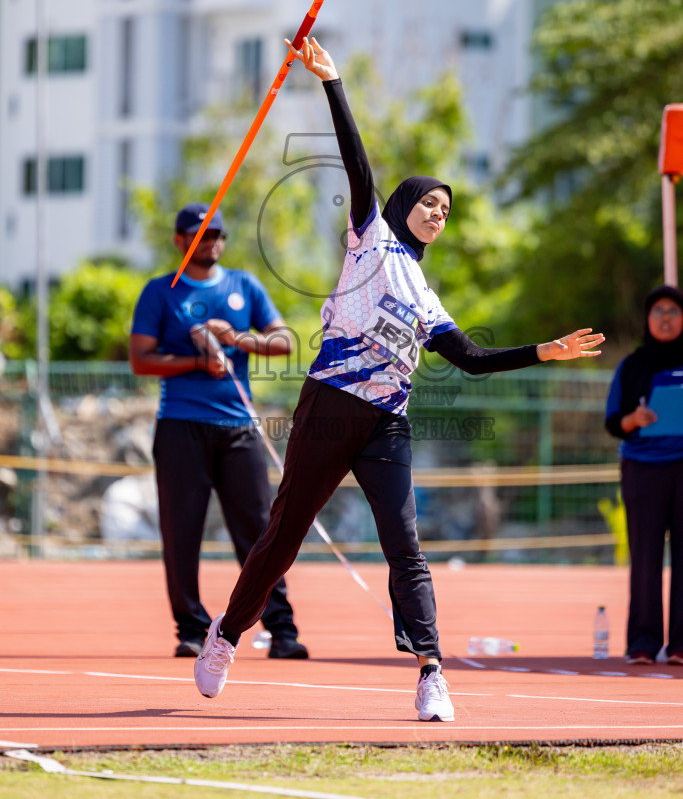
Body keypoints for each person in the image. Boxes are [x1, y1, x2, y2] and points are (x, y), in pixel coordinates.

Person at [193, 38, 605, 721]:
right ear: (403, 205)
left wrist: (545, 350)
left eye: (447, 209)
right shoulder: (368, 239)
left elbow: (468, 359)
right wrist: (333, 82)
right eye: (429, 202)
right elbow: (357, 164)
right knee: (284, 534)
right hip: (330, 405)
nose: (438, 213)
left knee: (404, 545)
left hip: (386, 421)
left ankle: (430, 670)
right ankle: (226, 634)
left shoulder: (427, 299)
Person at [129, 202, 308, 660]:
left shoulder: (244, 285)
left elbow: (284, 340)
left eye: (217, 235)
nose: (211, 242)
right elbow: (141, 358)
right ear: (180, 240)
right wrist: (196, 361)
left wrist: (238, 339)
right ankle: (189, 628)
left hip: (238, 428)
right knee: (182, 531)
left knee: (260, 531)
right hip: (181, 427)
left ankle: (281, 629)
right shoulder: (159, 292)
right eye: (200, 234)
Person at [605, 284, 683, 665]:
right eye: (658, 311)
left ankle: (681, 645)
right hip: (642, 468)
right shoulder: (633, 364)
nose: (665, 318)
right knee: (646, 558)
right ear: (647, 319)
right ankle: (643, 643)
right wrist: (633, 419)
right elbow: (612, 421)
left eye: (673, 310)